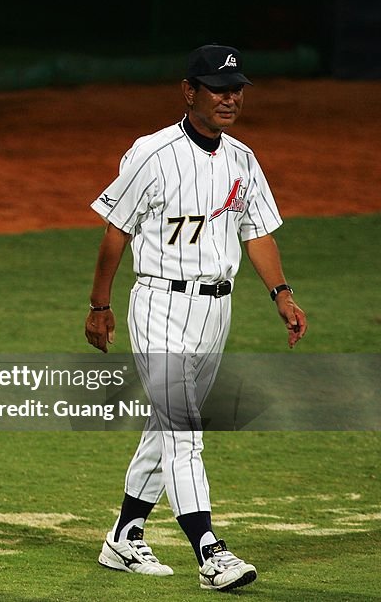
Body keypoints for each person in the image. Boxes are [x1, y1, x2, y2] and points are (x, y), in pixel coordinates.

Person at [84, 44, 307, 592]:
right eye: (218, 89)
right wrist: (99, 305)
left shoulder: (242, 159)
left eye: (236, 90)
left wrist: (281, 293)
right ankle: (210, 552)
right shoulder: (152, 153)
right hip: (160, 304)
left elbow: (257, 232)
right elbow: (116, 231)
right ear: (190, 92)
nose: (230, 99)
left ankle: (125, 536)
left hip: (216, 310)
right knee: (184, 430)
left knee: (167, 426)